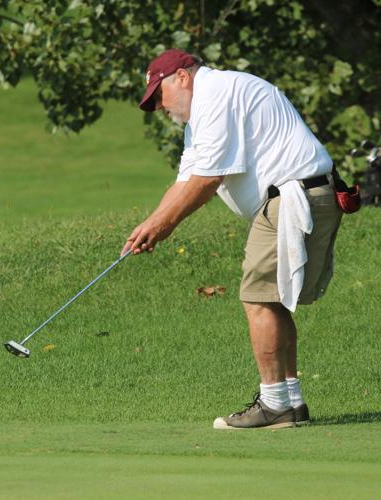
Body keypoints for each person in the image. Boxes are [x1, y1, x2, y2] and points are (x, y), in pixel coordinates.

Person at [122, 48, 342, 429]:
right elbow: (186, 181)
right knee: (271, 301)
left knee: (258, 299)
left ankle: (274, 404)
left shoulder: (216, 94)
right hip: (302, 193)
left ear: (182, 77)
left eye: (159, 95)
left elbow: (208, 182)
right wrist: (150, 224)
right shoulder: (201, 115)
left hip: (292, 196)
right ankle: (290, 402)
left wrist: (164, 226)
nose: (159, 107)